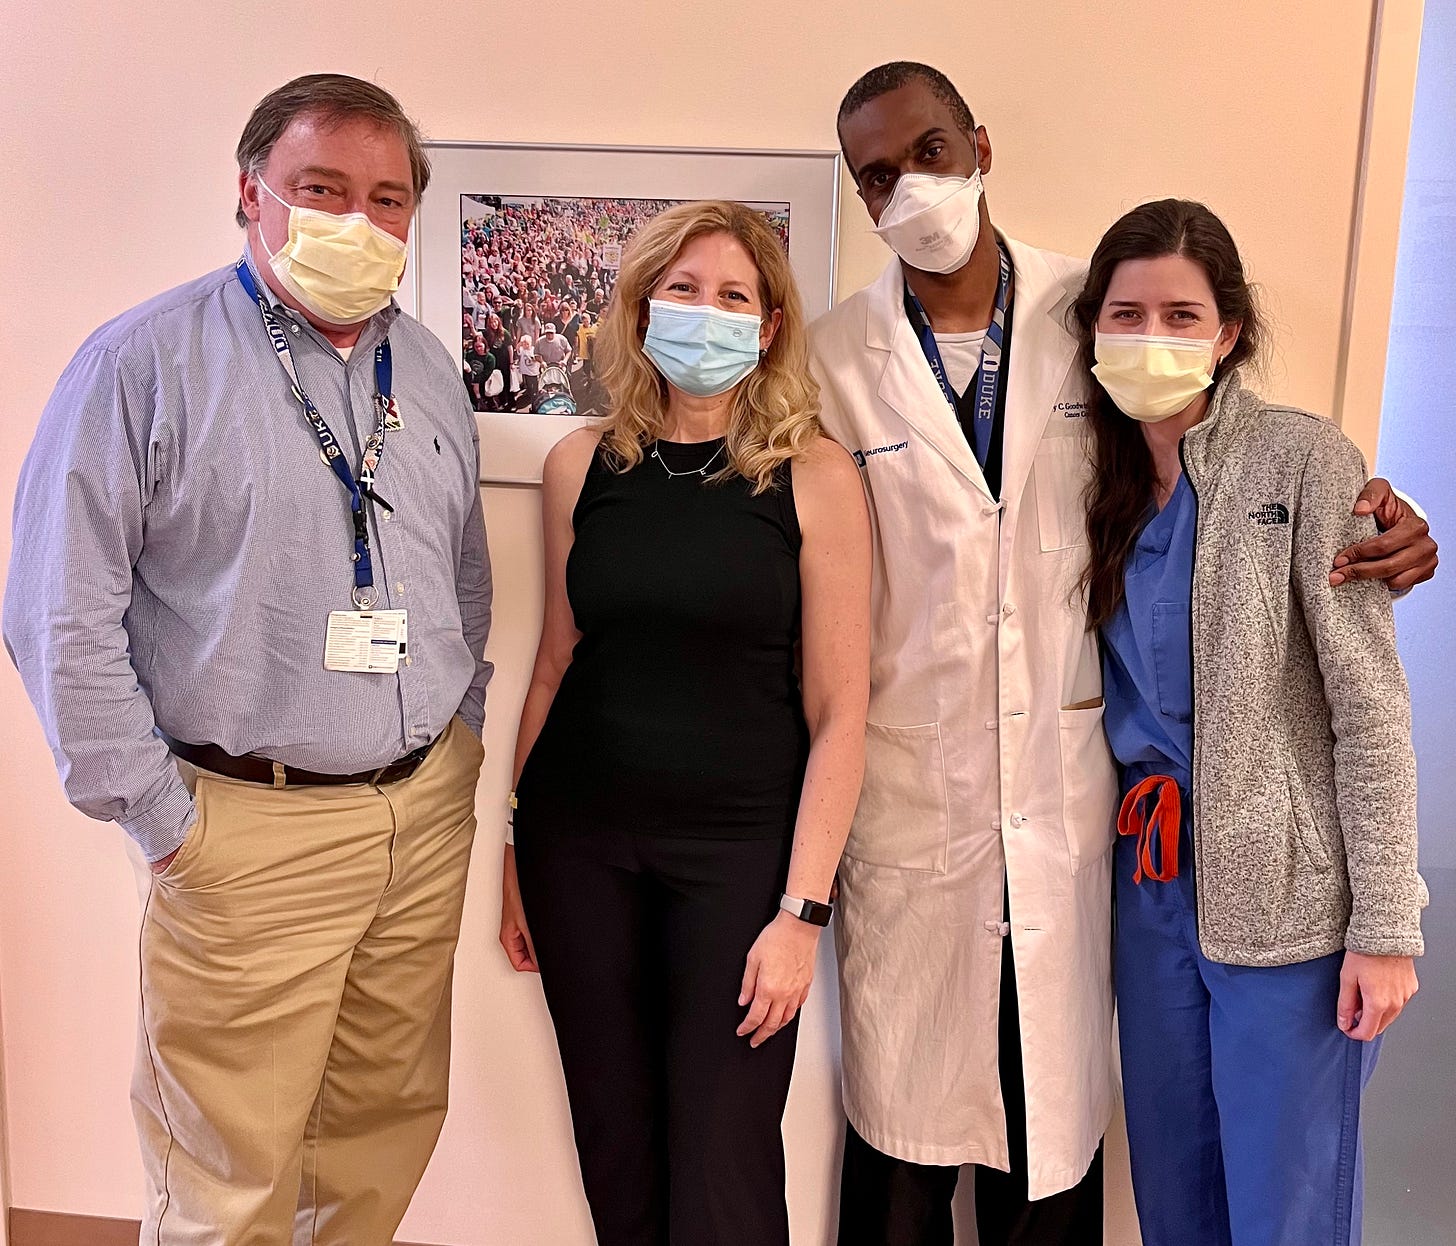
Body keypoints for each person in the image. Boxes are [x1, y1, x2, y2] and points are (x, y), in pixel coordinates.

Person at [808, 61, 1440, 1246]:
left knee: (1253, 1183)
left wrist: (1385, 921)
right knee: (1152, 1172)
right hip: (1089, 855)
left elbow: (1361, 694)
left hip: (1190, 851)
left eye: (929, 155)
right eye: (876, 177)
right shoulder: (844, 359)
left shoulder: (1093, 322)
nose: (908, 190)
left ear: (980, 145)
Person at [3, 74, 492, 1246]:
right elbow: (56, 613)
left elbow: (462, 570)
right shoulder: (140, 364)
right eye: (323, 190)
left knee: (382, 1131)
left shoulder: (424, 367)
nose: (357, 223)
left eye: (387, 200)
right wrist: (162, 816)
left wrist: (457, 744)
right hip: (243, 831)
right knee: (230, 1172)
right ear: (249, 193)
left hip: (418, 820)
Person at [498, 199, 871, 1245]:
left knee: (722, 1164)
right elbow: (551, 670)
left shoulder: (814, 476)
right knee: (616, 1148)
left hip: (739, 861)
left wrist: (802, 914)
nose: (705, 311)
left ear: (768, 326)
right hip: (580, 848)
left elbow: (843, 711)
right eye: (682, 289)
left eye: (733, 295)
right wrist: (515, 852)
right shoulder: (578, 464)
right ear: (640, 307)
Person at [1073, 198, 1425, 1246]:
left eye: (1181, 315)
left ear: (1227, 332)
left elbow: (1369, 710)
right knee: (1174, 1201)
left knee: (1288, 1212)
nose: (1152, 337)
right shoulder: (1088, 480)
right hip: (1149, 889)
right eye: (1125, 313)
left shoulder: (1306, 461)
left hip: (1288, 906)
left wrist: (1385, 926)